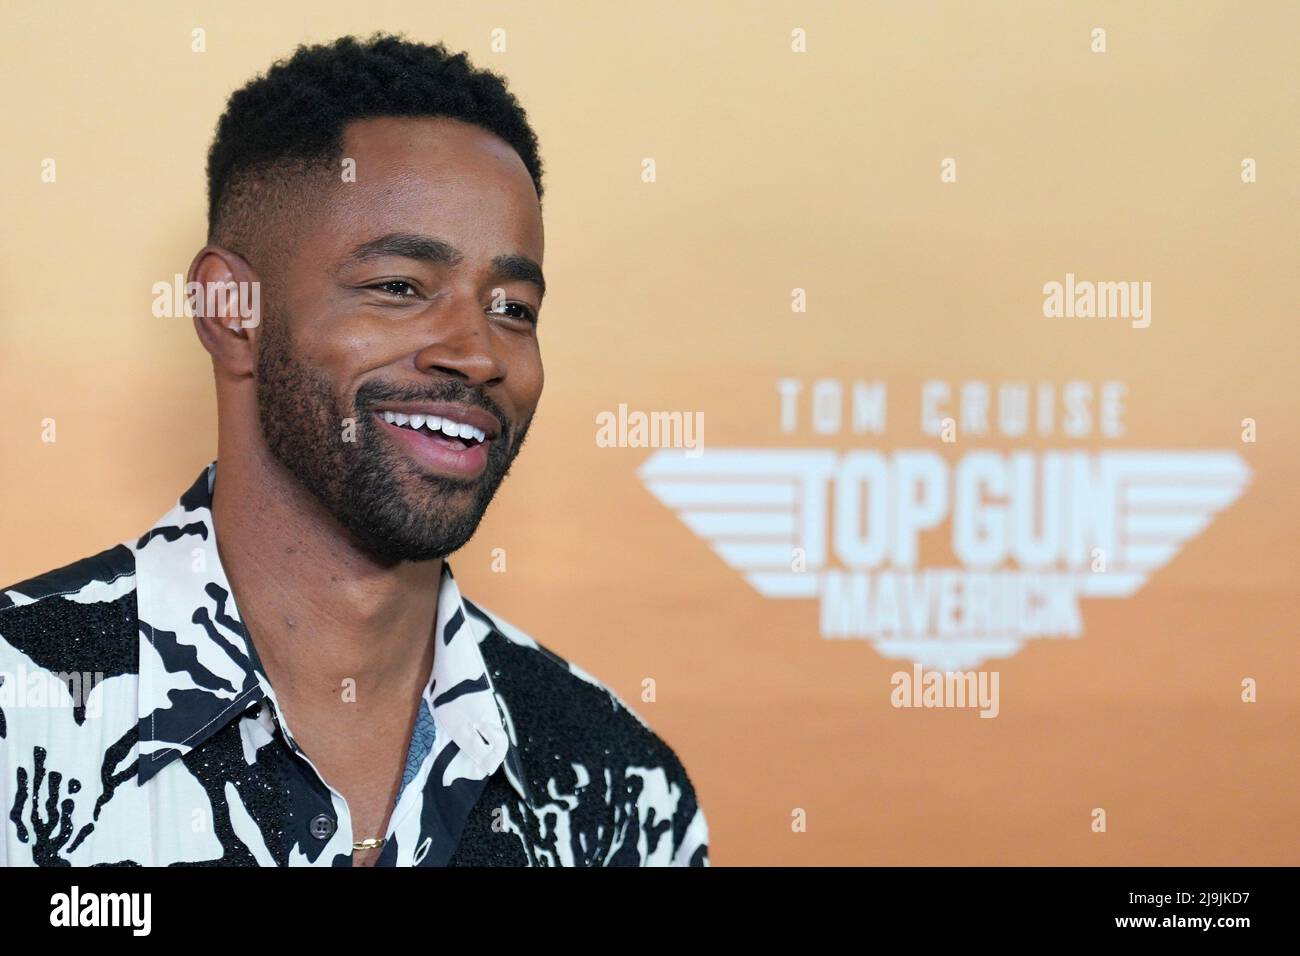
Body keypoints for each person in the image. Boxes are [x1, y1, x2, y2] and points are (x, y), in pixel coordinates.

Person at [0, 34, 708, 867]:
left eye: (513, 307)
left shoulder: (618, 784)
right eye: (400, 288)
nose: (478, 354)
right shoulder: (21, 709)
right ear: (233, 312)